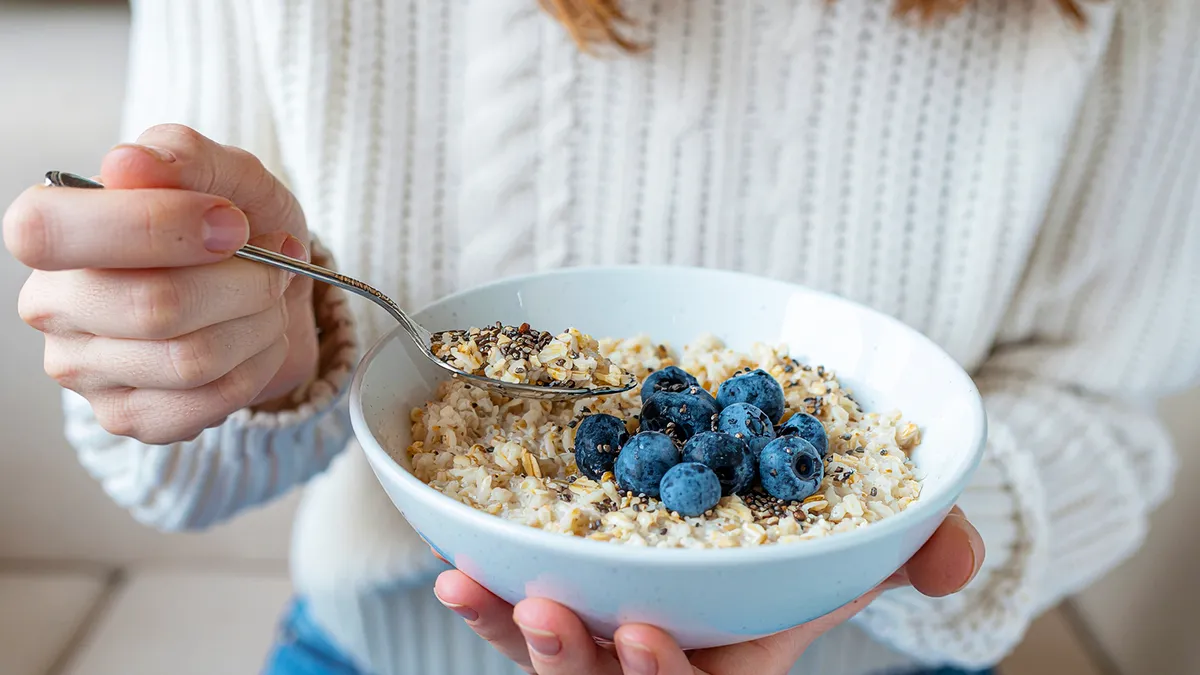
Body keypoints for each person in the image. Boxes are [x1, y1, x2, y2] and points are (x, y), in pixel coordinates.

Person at [4, 0, 1197, 673]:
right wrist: (266, 353)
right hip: (380, 647)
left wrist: (900, 535)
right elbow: (156, 468)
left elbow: (1106, 407)